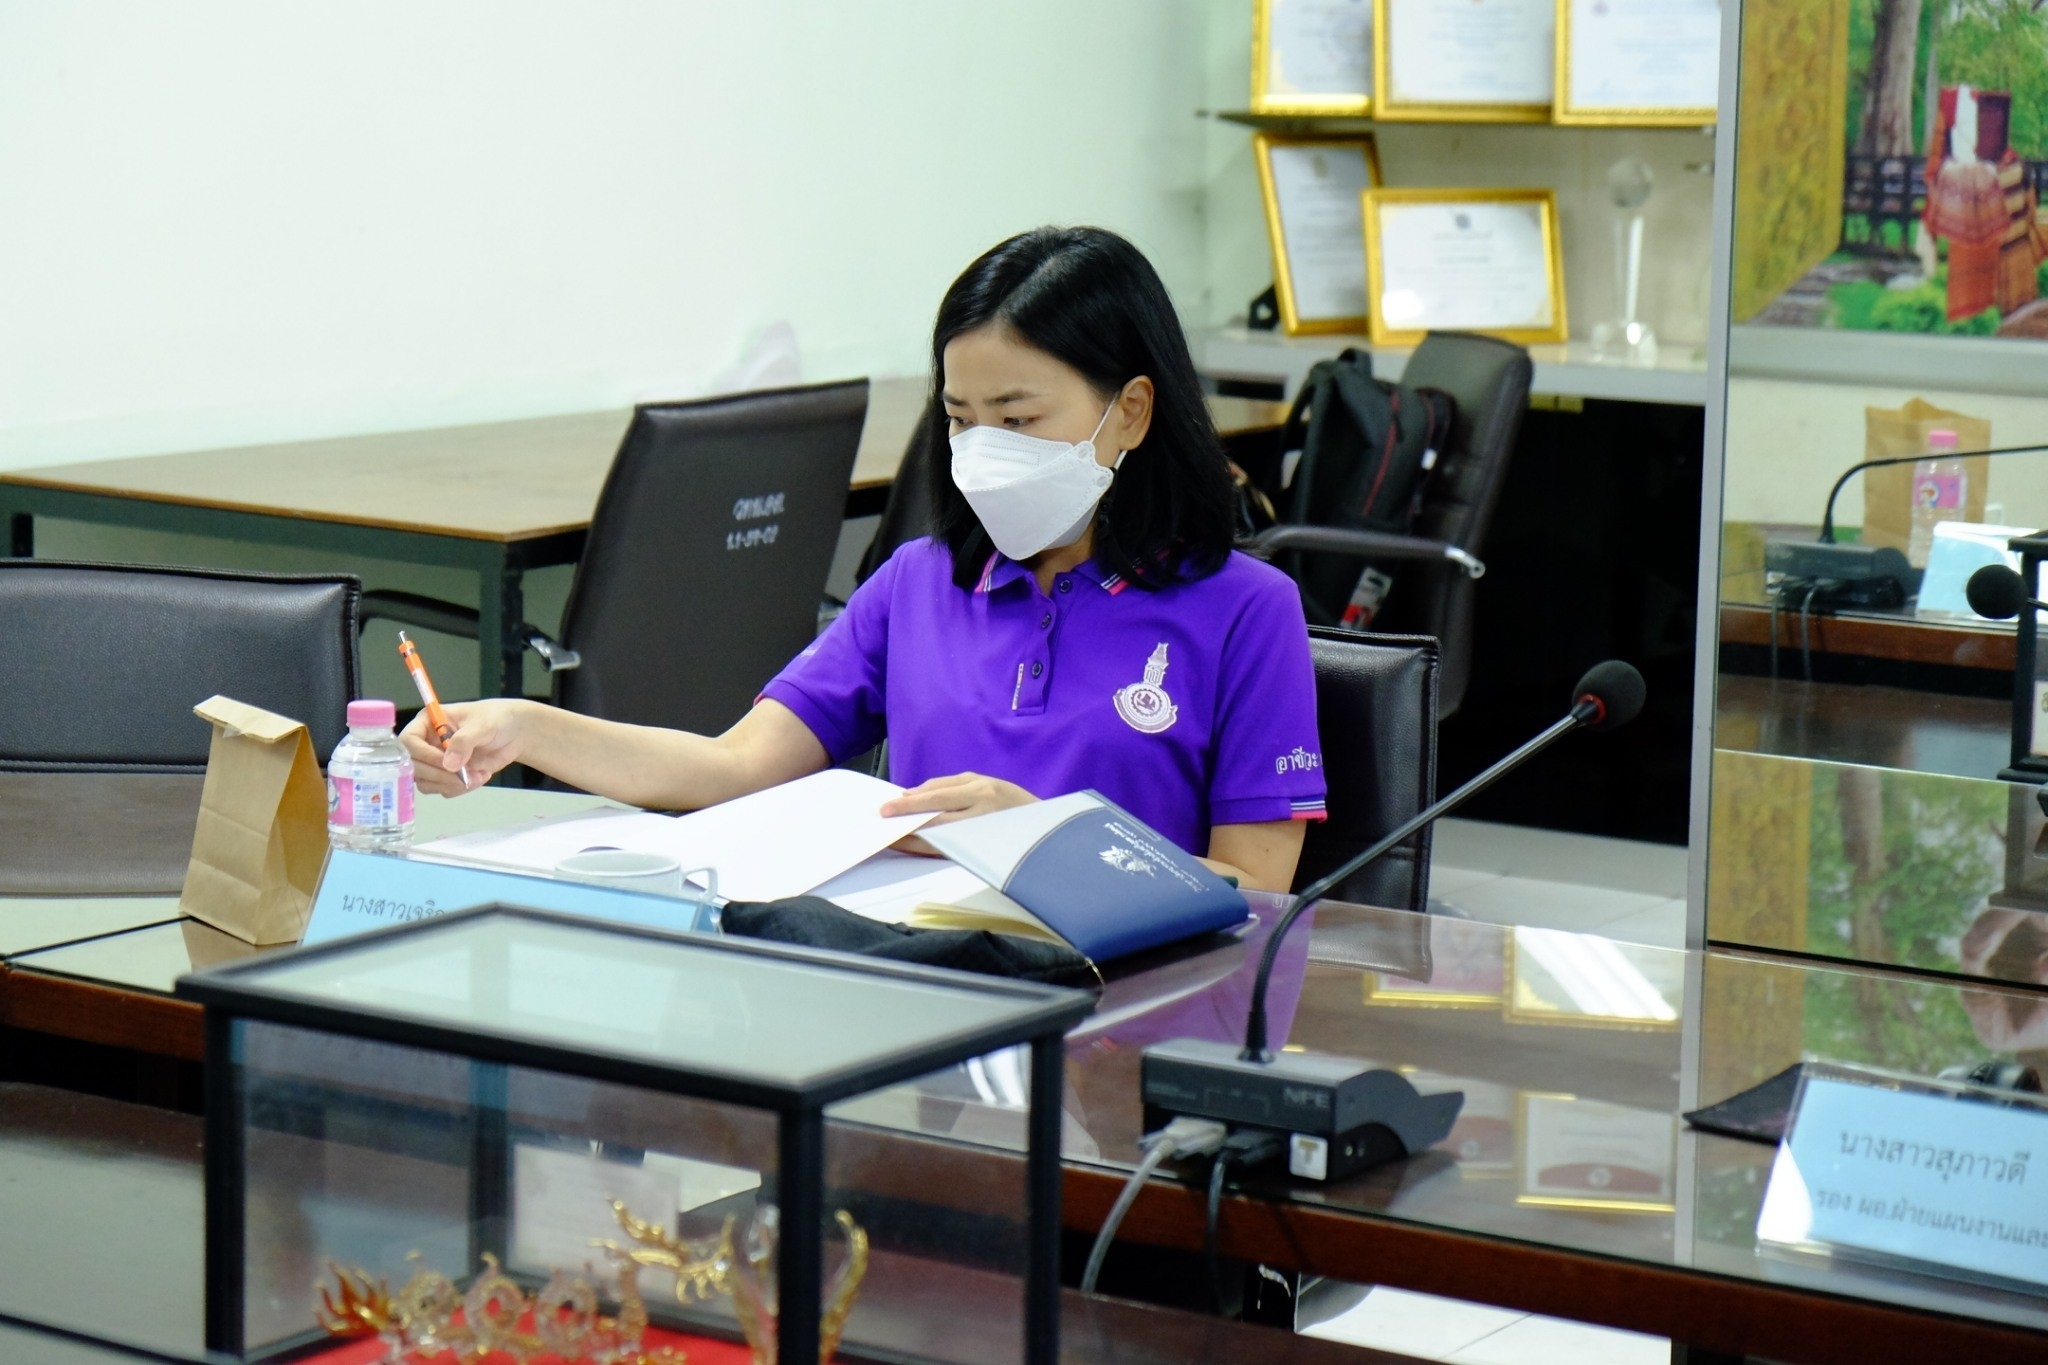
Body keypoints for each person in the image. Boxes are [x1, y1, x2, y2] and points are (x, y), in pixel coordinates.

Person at [405, 226, 1326, 890]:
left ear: (1129, 410)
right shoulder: (921, 583)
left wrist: (1045, 841)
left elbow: (1255, 886)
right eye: (961, 420)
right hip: (921, 997)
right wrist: (526, 727)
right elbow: (730, 768)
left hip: (1126, 1013)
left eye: (1019, 418)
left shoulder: (1246, 609)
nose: (982, 450)